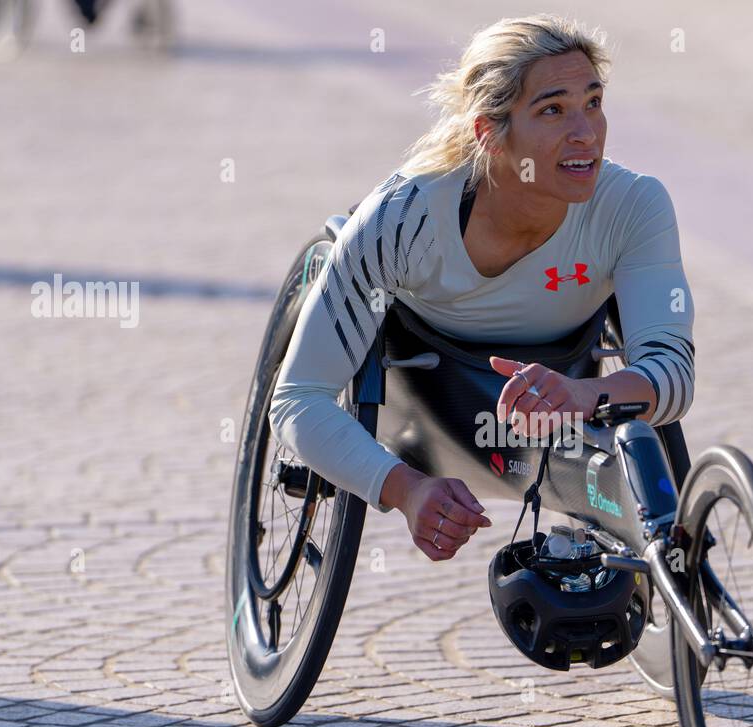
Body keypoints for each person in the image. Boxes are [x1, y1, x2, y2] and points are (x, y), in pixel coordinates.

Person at [270, 14, 695, 563]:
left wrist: (585, 396)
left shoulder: (634, 206)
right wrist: (406, 489)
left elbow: (674, 373)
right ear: (489, 133)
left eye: (593, 102)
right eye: (553, 110)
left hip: (564, 387)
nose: (586, 133)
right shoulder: (402, 218)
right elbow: (297, 400)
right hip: (423, 392)